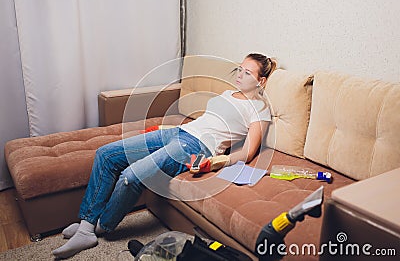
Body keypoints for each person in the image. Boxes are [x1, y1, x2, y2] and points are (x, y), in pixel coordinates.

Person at [52, 53, 276, 259]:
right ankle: (87, 224)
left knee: (131, 177)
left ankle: (100, 227)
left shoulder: (258, 108)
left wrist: (218, 162)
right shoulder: (228, 93)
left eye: (248, 72)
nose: (240, 74)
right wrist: (161, 130)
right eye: (239, 69)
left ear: (261, 81)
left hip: (197, 147)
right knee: (106, 154)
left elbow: (248, 151)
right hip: (178, 131)